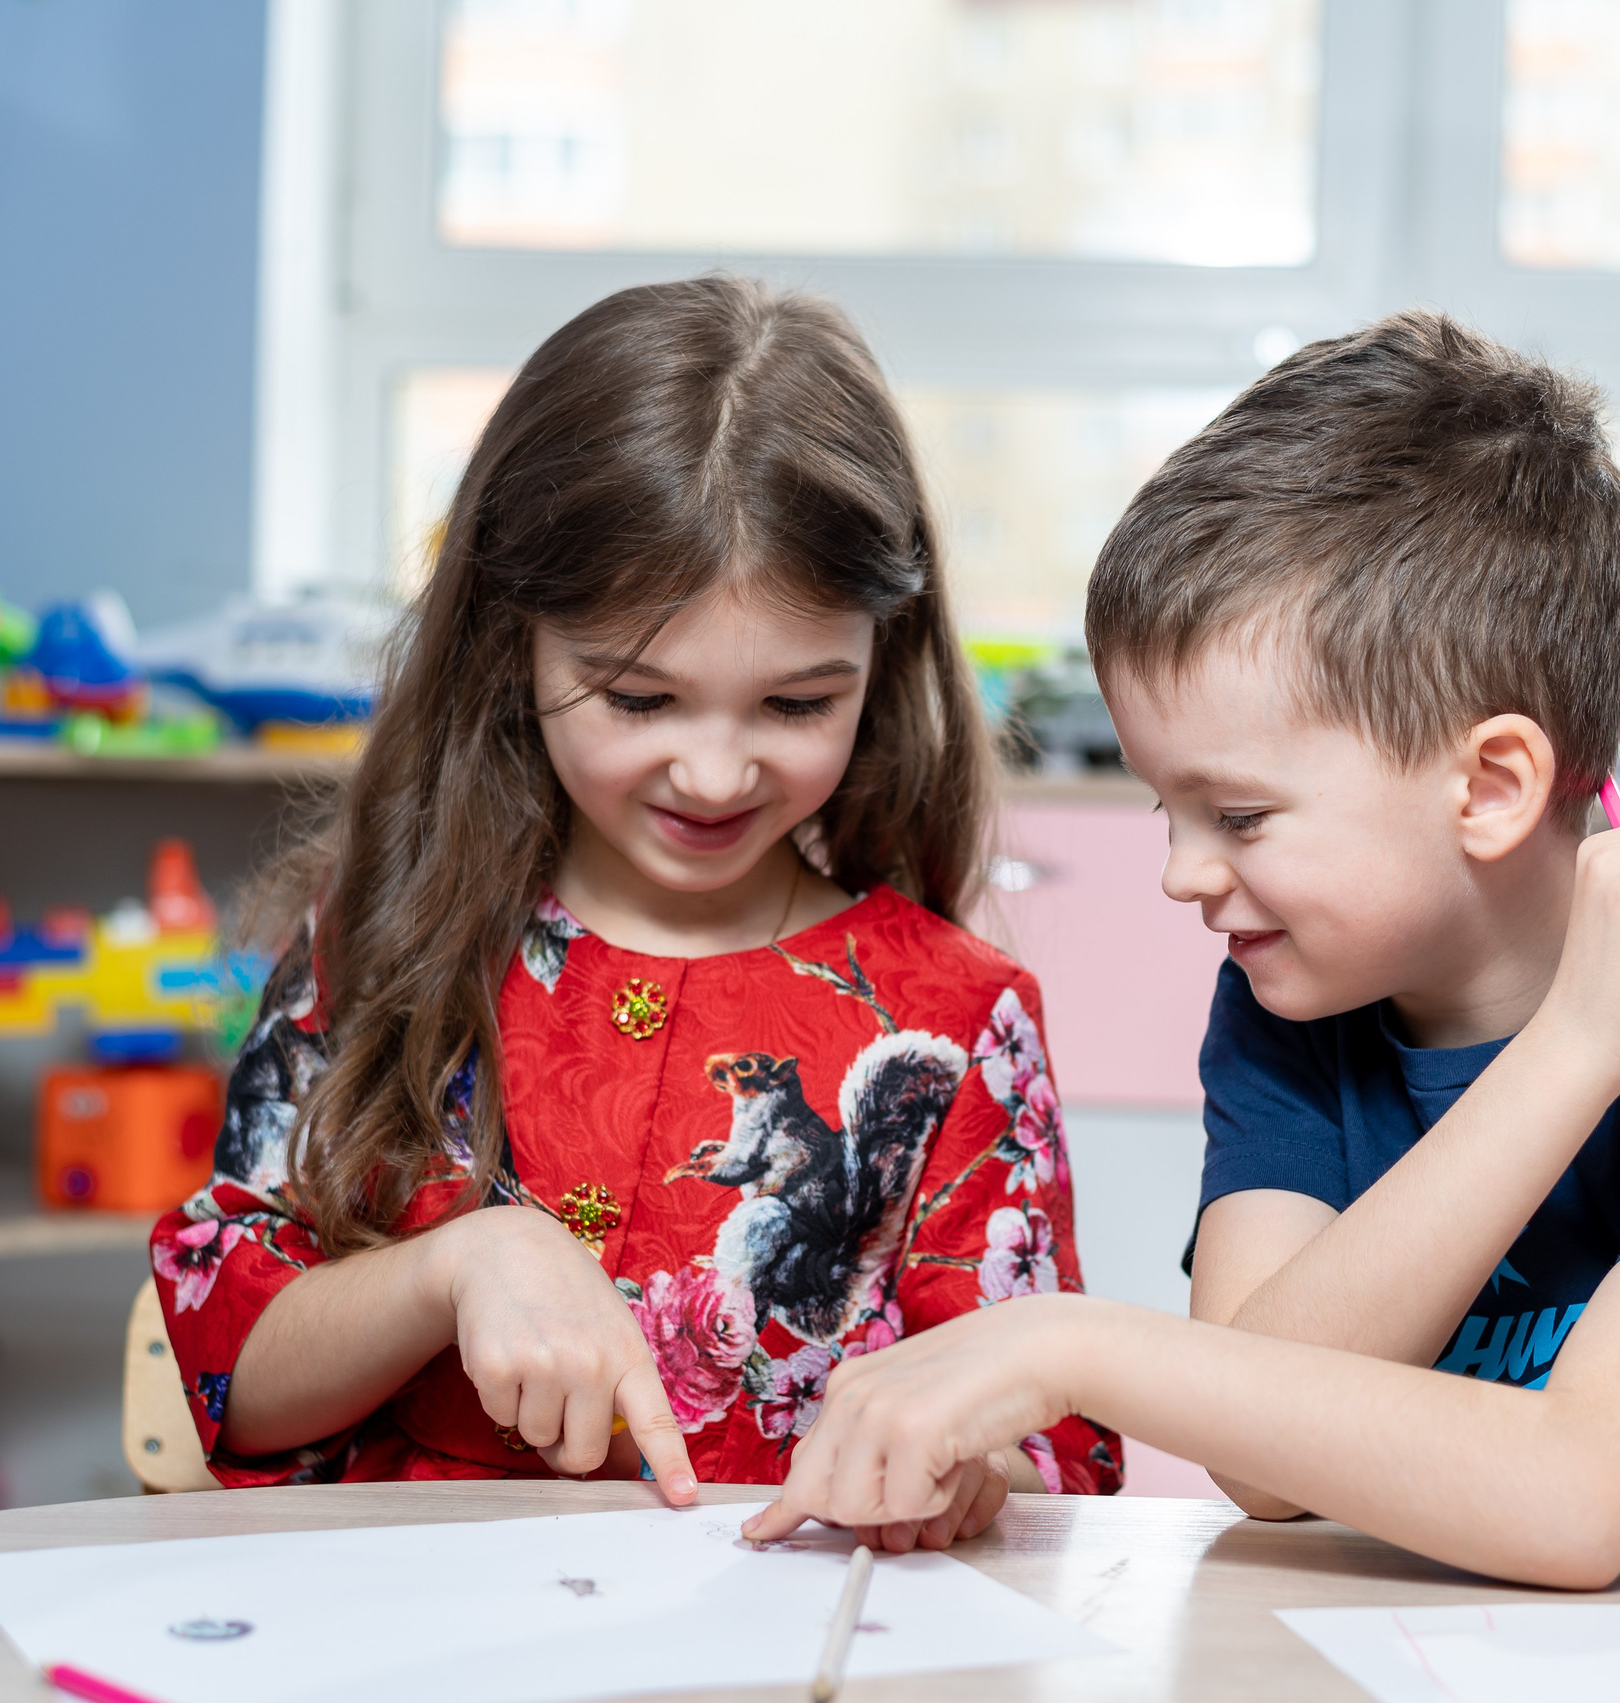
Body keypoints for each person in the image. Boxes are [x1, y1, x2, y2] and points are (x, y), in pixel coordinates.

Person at [743, 311, 1620, 1589]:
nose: (1181, 870)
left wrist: (1068, 1342)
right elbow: (1265, 1465)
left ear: (1494, 783)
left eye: (1236, 814)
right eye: (1164, 807)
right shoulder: (1289, 1001)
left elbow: (1582, 1497)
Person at [150, 276, 1120, 1550]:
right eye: (639, 700)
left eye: (794, 705)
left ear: (880, 665)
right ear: (515, 648)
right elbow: (234, 1374)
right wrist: (455, 1264)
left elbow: (1047, 1446)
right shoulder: (378, 945)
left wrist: (975, 1461)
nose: (716, 775)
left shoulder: (954, 1019)